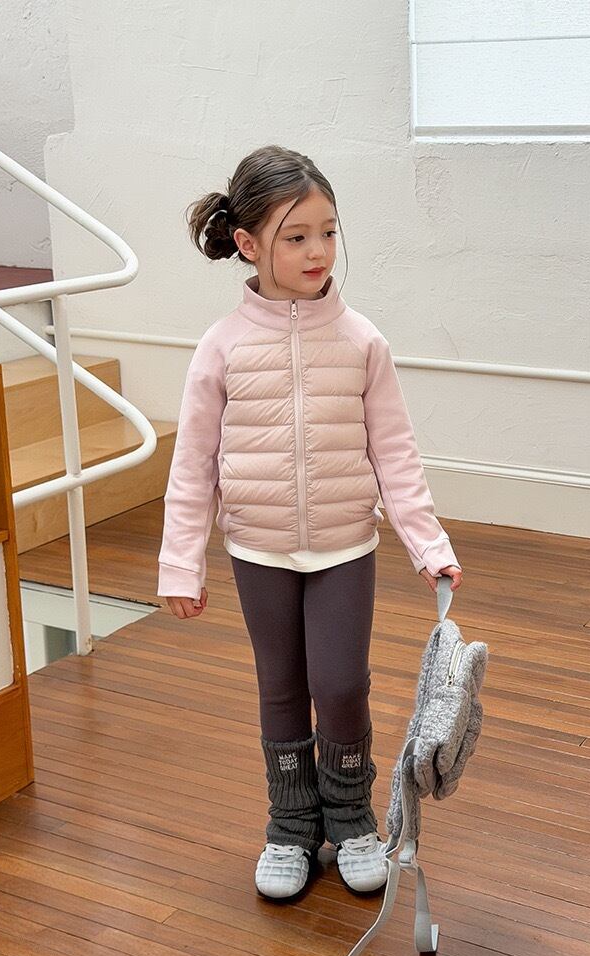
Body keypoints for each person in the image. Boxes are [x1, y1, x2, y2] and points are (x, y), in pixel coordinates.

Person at [156, 144, 463, 901]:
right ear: (248, 243)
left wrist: (428, 544)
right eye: (296, 237)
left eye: (328, 231)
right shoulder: (221, 347)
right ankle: (291, 826)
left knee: (342, 684)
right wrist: (181, 564)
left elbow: (395, 453)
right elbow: (193, 464)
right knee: (282, 689)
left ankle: (351, 817)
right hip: (257, 550)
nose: (318, 250)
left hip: (343, 547)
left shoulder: (362, 341)